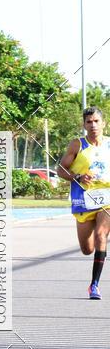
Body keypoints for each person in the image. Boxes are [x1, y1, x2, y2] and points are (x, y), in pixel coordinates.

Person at [57, 106, 110, 299]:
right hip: (84, 201)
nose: (93, 125)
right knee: (87, 249)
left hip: (107, 198)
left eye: (97, 121)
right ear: (84, 124)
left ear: (103, 123)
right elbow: (61, 170)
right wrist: (78, 176)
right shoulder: (77, 145)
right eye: (89, 122)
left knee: (101, 236)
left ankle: (94, 285)